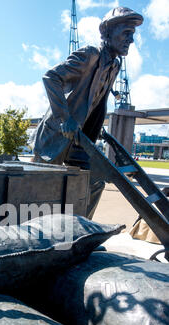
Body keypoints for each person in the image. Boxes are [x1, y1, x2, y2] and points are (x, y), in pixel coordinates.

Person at [31, 7, 143, 219]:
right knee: (41, 191)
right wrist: (65, 119)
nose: (131, 40)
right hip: (55, 137)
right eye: (126, 33)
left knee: (94, 182)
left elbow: (96, 101)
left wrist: (96, 127)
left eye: (133, 34)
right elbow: (50, 78)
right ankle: (37, 239)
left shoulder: (115, 65)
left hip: (81, 139)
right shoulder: (90, 55)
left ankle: (81, 232)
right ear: (107, 32)